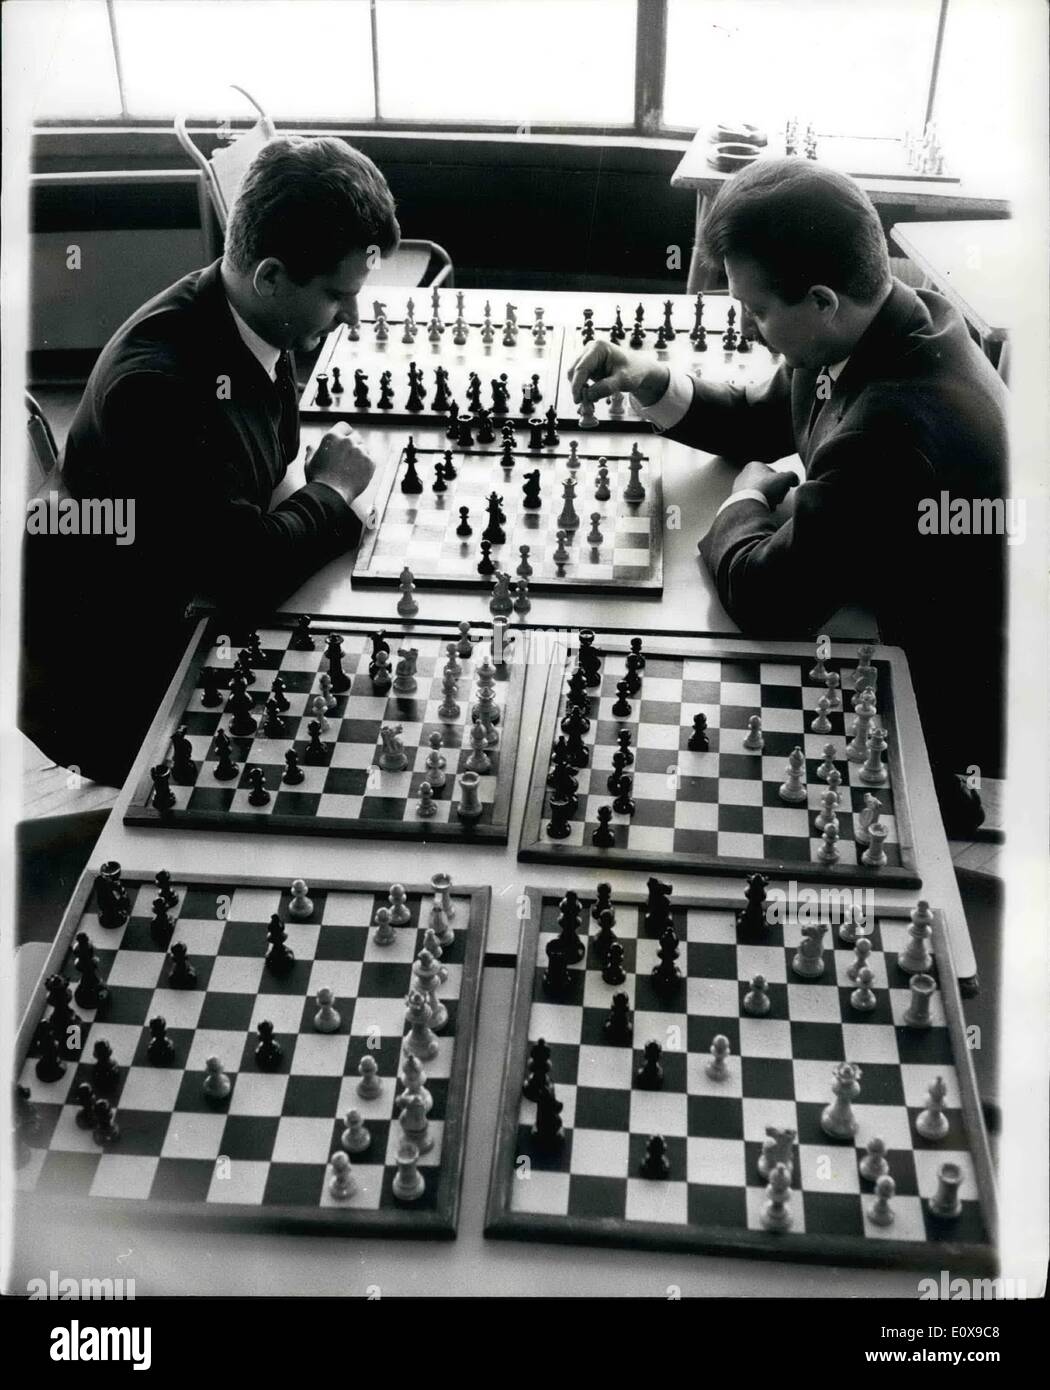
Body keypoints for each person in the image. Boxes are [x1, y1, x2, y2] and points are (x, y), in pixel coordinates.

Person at [568, 159, 1008, 835]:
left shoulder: (895, 426)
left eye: (758, 310)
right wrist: (650, 377)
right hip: (877, 598)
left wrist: (741, 503)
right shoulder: (893, 321)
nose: (746, 327)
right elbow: (768, 415)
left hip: (940, 701)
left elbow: (768, 599)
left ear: (824, 301)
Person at [21, 136, 400, 787]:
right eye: (339, 296)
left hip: (181, 594)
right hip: (113, 681)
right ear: (271, 276)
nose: (354, 319)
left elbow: (268, 472)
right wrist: (332, 493)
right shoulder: (158, 391)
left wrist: (300, 509)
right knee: (332, 760)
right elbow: (241, 574)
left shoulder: (249, 314)